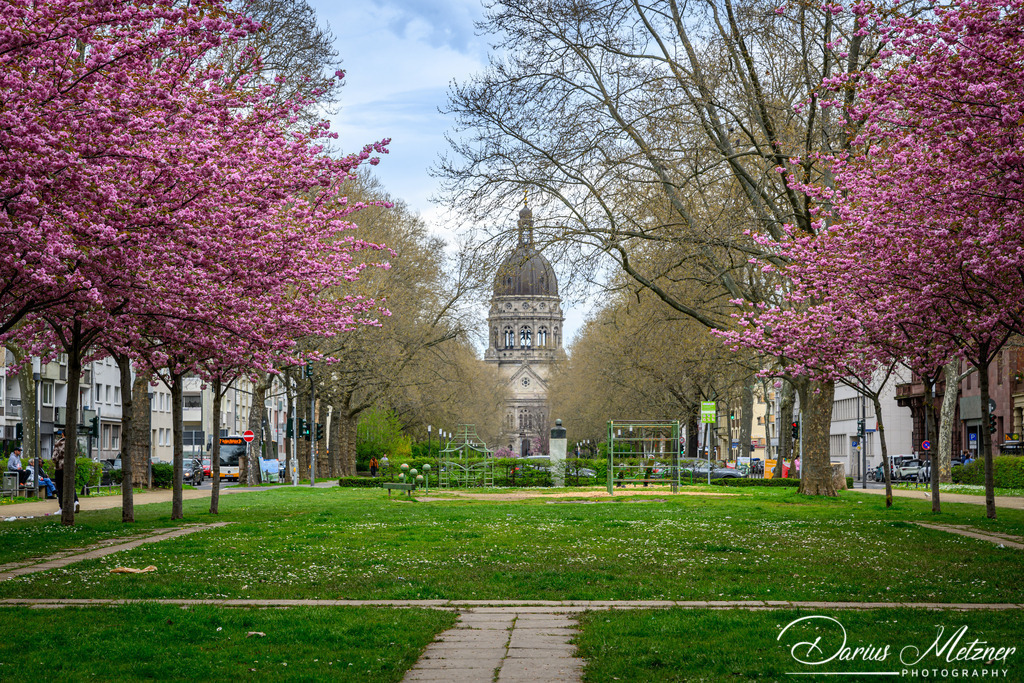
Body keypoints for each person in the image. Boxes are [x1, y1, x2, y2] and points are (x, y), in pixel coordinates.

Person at [52, 432, 79, 513]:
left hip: (60, 468)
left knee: (60, 488)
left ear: (63, 434)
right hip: (70, 468)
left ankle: (62, 508)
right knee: (70, 485)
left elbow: (54, 457)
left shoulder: (59, 443)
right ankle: (75, 502)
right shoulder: (73, 443)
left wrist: (55, 461)